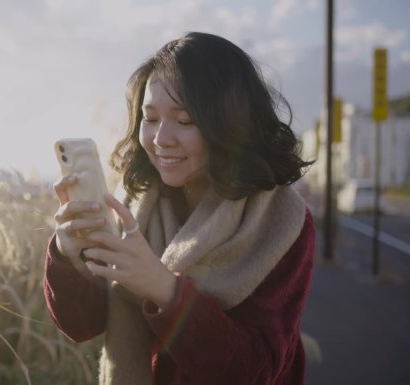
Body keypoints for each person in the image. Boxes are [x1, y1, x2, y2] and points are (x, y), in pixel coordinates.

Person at [44, 32, 315, 385]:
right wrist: (68, 254)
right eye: (150, 118)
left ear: (229, 124)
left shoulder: (281, 223)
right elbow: (81, 326)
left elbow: (256, 370)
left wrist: (163, 288)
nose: (160, 139)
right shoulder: (134, 205)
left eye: (184, 121)